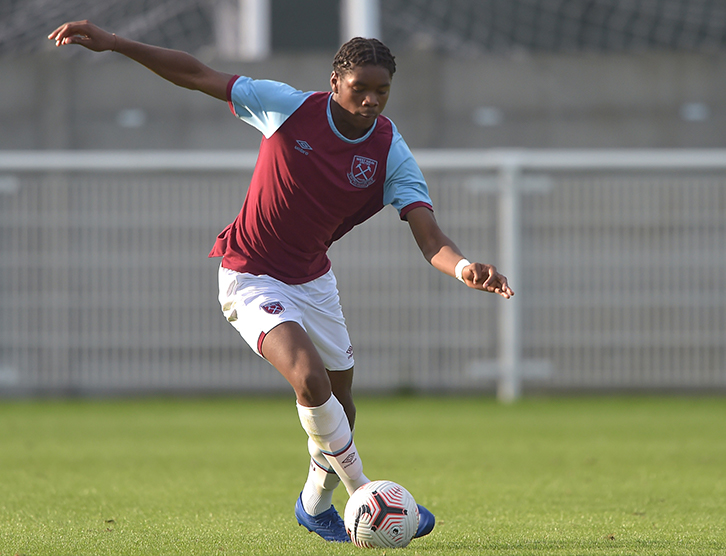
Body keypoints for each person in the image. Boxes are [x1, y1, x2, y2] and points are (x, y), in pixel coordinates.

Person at [49, 20, 514, 544]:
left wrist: (464, 267)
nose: (370, 100)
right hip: (249, 272)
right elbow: (197, 73)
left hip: (313, 280)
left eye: (381, 91)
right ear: (335, 80)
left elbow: (430, 238)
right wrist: (114, 43)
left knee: (341, 404)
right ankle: (367, 494)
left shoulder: (389, 152)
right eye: (359, 88)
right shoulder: (286, 106)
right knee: (309, 380)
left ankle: (314, 503)